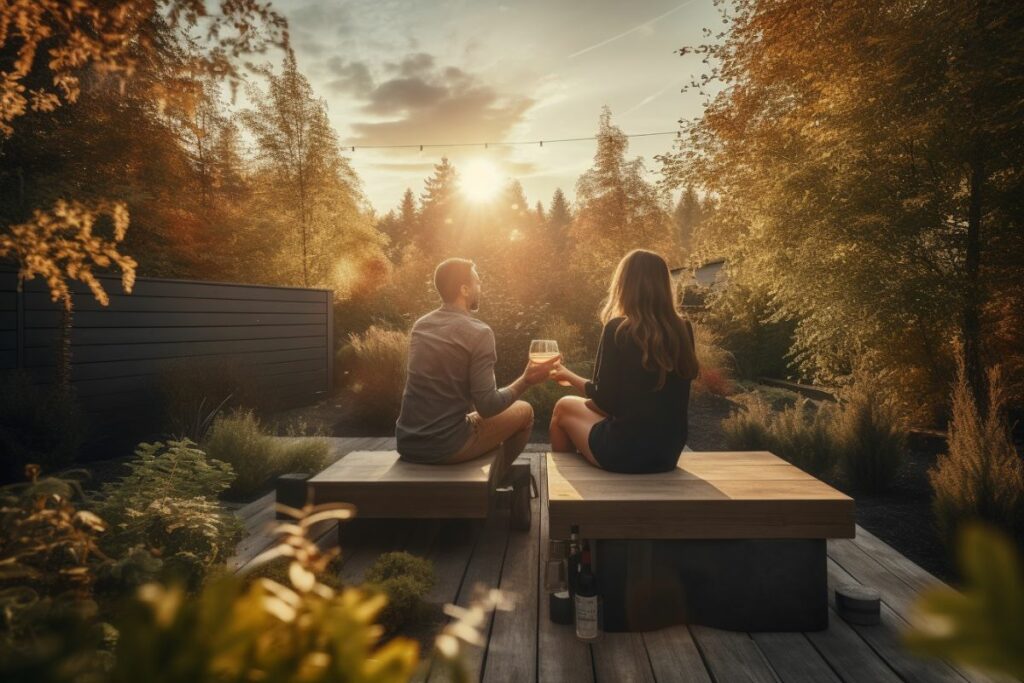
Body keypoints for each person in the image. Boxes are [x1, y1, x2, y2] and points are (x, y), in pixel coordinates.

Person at [396, 258, 559, 491]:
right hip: (445, 446)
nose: (480, 287)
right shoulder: (479, 332)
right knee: (525, 412)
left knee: (476, 419)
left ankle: (486, 473)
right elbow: (488, 406)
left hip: (407, 442)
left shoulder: (421, 325)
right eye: (477, 282)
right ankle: (497, 480)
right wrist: (526, 380)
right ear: (464, 289)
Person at [549, 249, 699, 473]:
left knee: (563, 407)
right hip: (667, 454)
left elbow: (604, 402)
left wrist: (568, 376)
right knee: (582, 408)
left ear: (624, 285)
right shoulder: (682, 329)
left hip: (624, 453)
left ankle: (568, 484)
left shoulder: (619, 329)